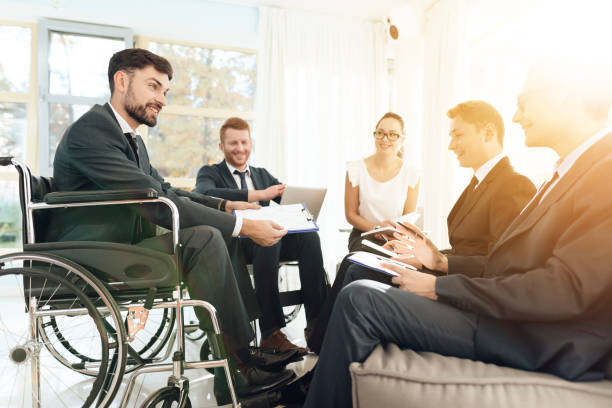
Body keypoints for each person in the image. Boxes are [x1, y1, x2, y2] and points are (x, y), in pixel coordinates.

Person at [304, 57, 612, 408]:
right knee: (360, 285)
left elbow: (565, 289)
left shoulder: (603, 171)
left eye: (524, 102)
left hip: (535, 334)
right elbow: (510, 262)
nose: (515, 117)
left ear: (564, 96)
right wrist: (438, 261)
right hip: (511, 316)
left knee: (360, 298)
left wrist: (440, 284)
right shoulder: (568, 172)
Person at [47, 48, 297, 397]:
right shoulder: (93, 131)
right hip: (94, 252)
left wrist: (228, 206)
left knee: (220, 234)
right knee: (208, 239)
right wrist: (241, 224)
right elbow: (158, 205)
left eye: (164, 91)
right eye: (153, 87)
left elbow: (164, 189)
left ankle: (241, 352)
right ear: (122, 81)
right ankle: (237, 366)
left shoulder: (128, 137)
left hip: (122, 242)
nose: (161, 99)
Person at [307, 101, 535, 354]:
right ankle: (318, 349)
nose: (451, 145)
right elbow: (471, 248)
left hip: (462, 286)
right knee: (355, 263)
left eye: (458, 134)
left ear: (488, 133)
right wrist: (427, 256)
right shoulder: (480, 182)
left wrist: (441, 262)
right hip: (451, 272)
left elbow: (502, 265)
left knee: (357, 274)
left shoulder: (513, 185)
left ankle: (319, 353)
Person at [195, 117, 328, 355]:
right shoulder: (210, 173)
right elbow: (205, 194)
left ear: (251, 143)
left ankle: (316, 326)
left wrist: (298, 203)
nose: (240, 148)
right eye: (233, 143)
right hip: (237, 243)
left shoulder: (262, 174)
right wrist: (259, 194)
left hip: (266, 244)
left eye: (244, 142)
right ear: (221, 146)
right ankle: (271, 333)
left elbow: (285, 201)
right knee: (267, 239)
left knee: (308, 237)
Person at [344, 112, 420, 252]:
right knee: (362, 263)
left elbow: (408, 218)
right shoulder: (355, 169)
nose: (385, 139)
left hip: (396, 237)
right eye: (380, 133)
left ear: (402, 139)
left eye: (392, 134)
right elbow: (351, 214)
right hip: (363, 235)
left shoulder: (411, 173)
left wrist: (392, 233)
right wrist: (376, 230)